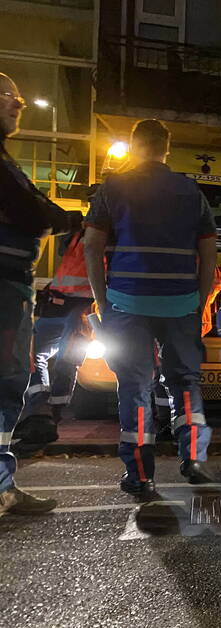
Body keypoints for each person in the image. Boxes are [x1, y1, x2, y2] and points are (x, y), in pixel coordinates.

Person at [83, 119, 218, 496]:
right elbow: (208, 253)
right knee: (186, 382)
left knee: (136, 385)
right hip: (180, 303)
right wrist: (199, 299)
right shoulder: (191, 192)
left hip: (127, 301)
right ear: (166, 148)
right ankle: (193, 456)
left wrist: (102, 299)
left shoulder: (113, 187)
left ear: (134, 144)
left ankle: (140, 474)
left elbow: (92, 247)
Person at [0, 72, 69, 516]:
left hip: (12, 283)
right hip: (4, 284)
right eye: (7, 97)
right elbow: (31, 209)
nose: (18, 104)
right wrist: (61, 217)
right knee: (6, 384)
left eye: (18, 97)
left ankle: (3, 484)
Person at [15, 229, 93, 444]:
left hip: (83, 308)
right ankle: (39, 410)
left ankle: (51, 416)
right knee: (31, 355)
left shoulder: (114, 235)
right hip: (57, 302)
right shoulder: (78, 232)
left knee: (66, 361)